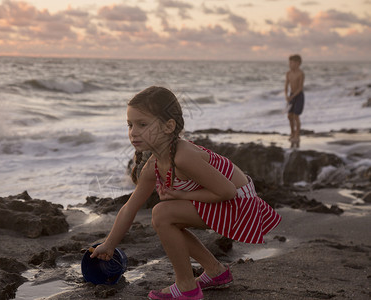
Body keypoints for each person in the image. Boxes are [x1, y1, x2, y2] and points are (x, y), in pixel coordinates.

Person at [90, 86, 282, 300]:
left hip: (241, 206)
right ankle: (215, 271)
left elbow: (228, 192)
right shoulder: (153, 165)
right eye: (130, 124)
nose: (133, 132)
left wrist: (180, 196)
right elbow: (130, 207)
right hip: (227, 203)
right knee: (166, 216)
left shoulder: (183, 156)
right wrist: (109, 244)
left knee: (163, 214)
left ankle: (186, 286)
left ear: (168, 126)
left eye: (142, 124)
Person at [285, 54, 305, 147]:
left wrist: (293, 97)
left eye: (292, 62)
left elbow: (300, 88)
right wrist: (286, 95)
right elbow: (286, 86)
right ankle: (292, 133)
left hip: (299, 96)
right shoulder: (288, 73)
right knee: (289, 116)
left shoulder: (301, 73)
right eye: (289, 62)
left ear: (298, 63)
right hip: (291, 95)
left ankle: (297, 135)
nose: (290, 64)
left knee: (296, 116)